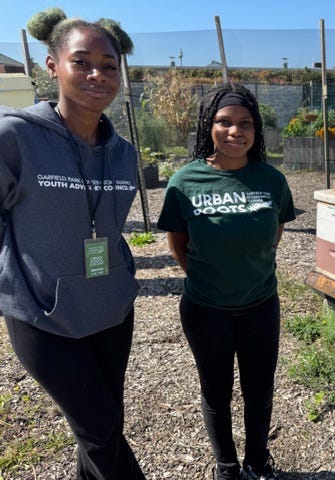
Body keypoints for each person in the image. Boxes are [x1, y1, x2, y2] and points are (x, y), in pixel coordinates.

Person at [0, 8, 146, 479]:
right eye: (81, 62)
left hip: (110, 311)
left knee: (103, 424)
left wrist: (123, 280)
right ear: (51, 66)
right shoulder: (15, 137)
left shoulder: (124, 154)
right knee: (102, 433)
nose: (97, 74)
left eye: (108, 65)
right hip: (43, 318)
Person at [157, 83, 296, 480]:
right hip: (206, 311)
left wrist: (247, 268)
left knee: (259, 391)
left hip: (260, 307)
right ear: (209, 126)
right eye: (225, 122)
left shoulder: (272, 180)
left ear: (257, 131)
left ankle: (257, 460)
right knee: (216, 392)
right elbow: (178, 244)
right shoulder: (185, 181)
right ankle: (226, 465)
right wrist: (211, 278)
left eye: (245, 123)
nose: (235, 131)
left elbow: (274, 234)